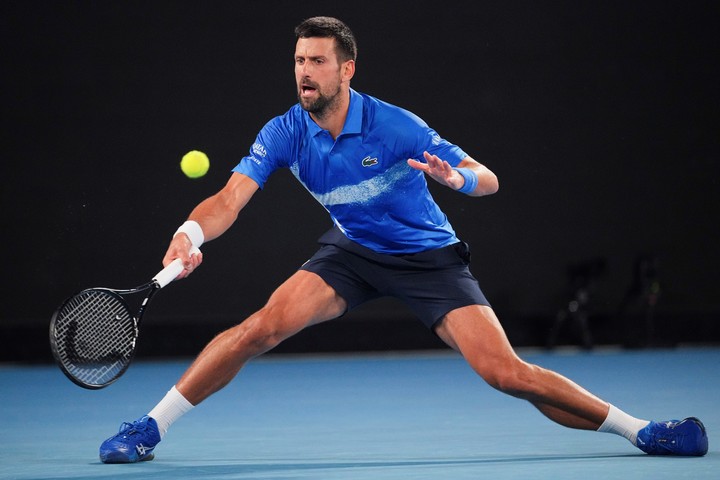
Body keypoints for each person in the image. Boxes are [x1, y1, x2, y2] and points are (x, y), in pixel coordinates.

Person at [99, 16, 708, 463]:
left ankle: (642, 429)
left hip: (428, 261)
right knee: (259, 328)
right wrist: (188, 231)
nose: (304, 72)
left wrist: (455, 177)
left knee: (506, 374)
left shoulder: (395, 126)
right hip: (352, 254)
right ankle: (150, 428)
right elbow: (229, 200)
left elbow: (488, 179)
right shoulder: (284, 131)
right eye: (298, 62)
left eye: (316, 61)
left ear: (346, 69)